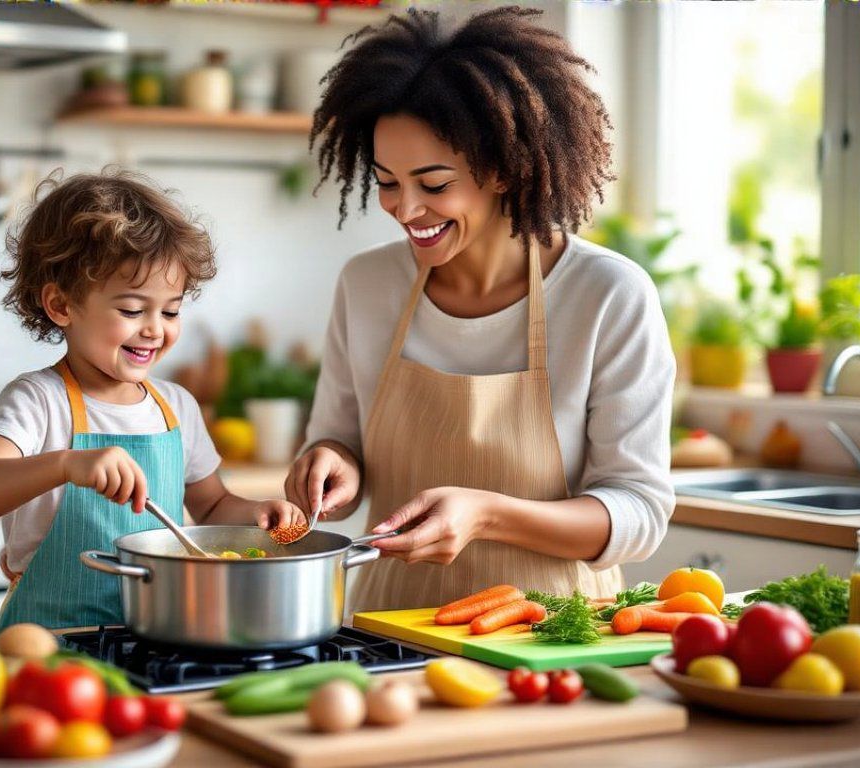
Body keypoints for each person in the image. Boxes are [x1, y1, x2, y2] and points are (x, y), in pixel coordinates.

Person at [284, 7, 676, 610]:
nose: (405, 209)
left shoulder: (608, 295)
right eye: (387, 181)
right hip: (389, 627)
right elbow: (340, 440)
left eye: (433, 185)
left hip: (552, 634)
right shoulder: (367, 285)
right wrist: (329, 463)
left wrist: (487, 515)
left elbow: (639, 512)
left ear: (501, 170)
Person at [0, 169, 305, 631]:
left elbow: (212, 506)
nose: (156, 328)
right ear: (61, 306)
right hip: (49, 643)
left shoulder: (176, 407)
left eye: (171, 310)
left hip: (158, 634)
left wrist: (256, 514)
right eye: (132, 310)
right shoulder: (37, 400)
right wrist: (65, 465)